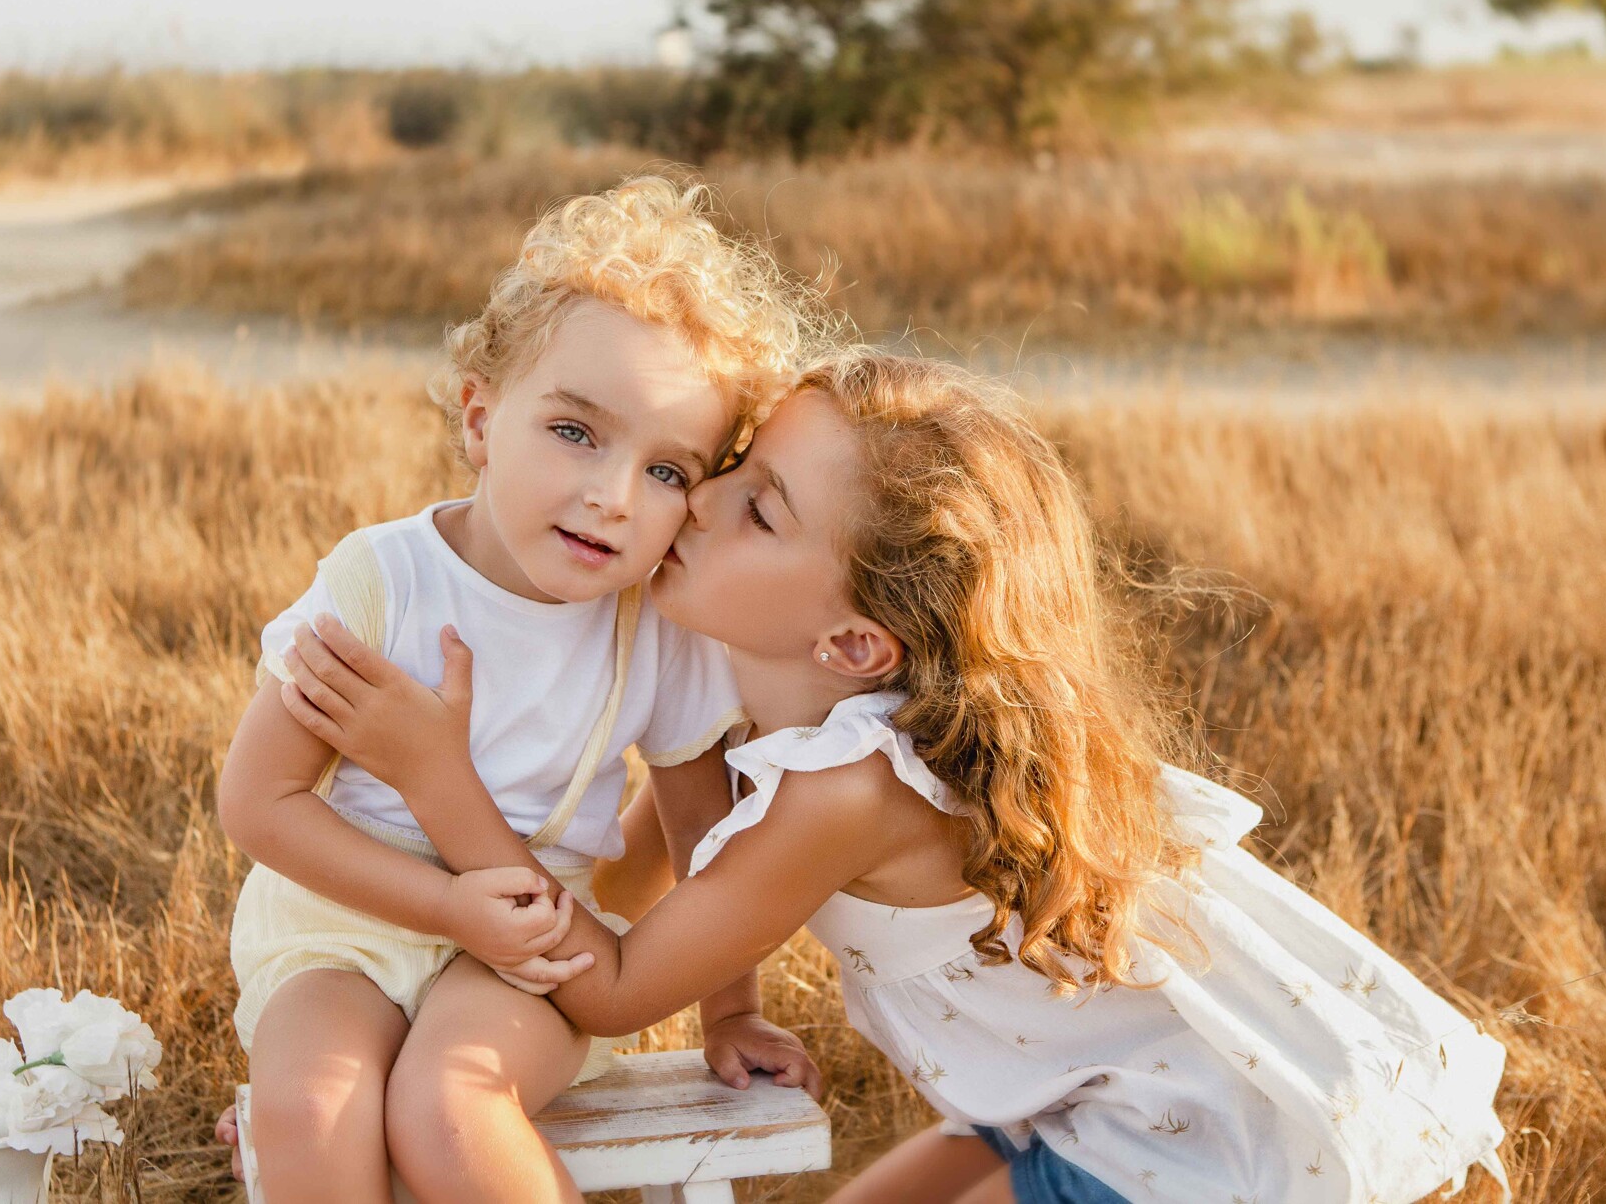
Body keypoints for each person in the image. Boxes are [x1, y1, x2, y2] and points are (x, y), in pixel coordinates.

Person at [286, 349, 1512, 1204]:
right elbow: (665, 835)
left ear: (853, 645)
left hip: (1190, 1156)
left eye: (757, 507)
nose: (696, 496)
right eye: (732, 464)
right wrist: (724, 1006)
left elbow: (607, 990)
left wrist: (434, 776)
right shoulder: (780, 699)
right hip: (1077, 1102)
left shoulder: (850, 790)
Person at [216, 176, 829, 1204]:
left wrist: (728, 1013)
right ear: (480, 416)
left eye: (667, 472)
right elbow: (257, 802)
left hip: (534, 946)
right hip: (342, 923)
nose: (610, 496)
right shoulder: (381, 583)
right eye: (575, 432)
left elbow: (701, 841)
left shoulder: (653, 624)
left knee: (447, 1112)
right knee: (308, 1110)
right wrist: (445, 904)